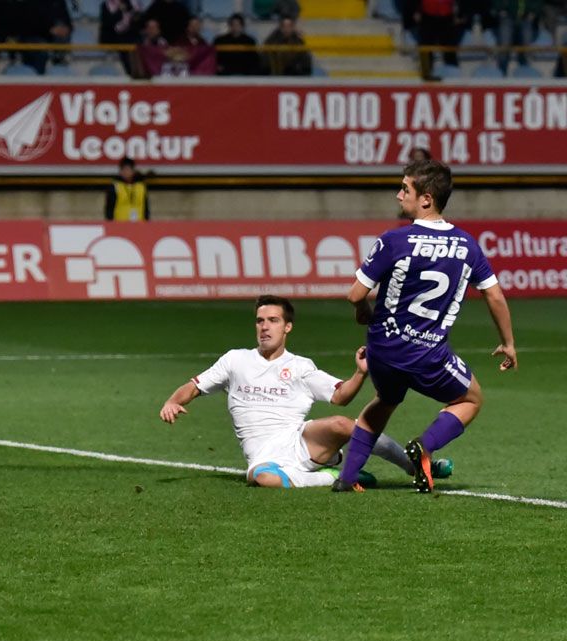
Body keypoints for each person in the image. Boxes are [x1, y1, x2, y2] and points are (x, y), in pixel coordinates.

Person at [334, 159, 517, 493]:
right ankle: (426, 447)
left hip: (382, 350)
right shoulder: (467, 245)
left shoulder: (394, 241)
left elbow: (355, 294)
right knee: (472, 399)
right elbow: (495, 295)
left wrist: (364, 309)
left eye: (405, 188)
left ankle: (346, 479)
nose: (398, 195)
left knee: (384, 401)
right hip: (427, 355)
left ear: (426, 199)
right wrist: (508, 342)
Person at [159, 295, 452, 489]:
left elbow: (340, 396)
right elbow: (194, 386)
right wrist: (173, 401)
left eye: (272, 321)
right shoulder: (235, 360)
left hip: (300, 440)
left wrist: (360, 373)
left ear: (287, 327)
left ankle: (414, 466)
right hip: (263, 454)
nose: (264, 327)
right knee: (264, 479)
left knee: (343, 423)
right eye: (260, 321)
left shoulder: (300, 367)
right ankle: (332, 475)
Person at [104, 156, 150, 221]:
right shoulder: (115, 186)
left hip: (139, 225)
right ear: (120, 171)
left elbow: (146, 209)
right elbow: (109, 209)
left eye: (128, 169)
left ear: (133, 171)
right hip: (119, 225)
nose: (126, 172)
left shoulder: (141, 187)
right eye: (124, 169)